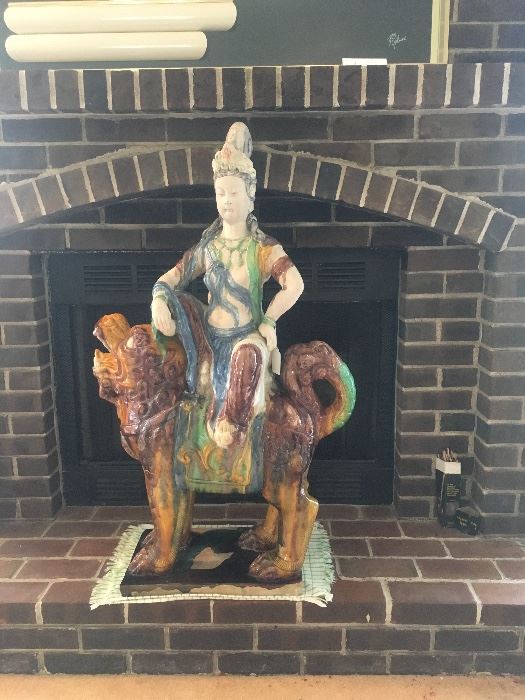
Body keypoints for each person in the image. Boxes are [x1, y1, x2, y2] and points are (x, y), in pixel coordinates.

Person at [151, 122, 304, 449]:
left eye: (234, 193)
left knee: (248, 355)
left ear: (250, 196)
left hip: (246, 335)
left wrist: (269, 320)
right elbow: (171, 278)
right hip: (207, 339)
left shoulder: (263, 249)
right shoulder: (208, 248)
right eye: (221, 194)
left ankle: (233, 422)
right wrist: (158, 300)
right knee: (172, 321)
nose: (226, 201)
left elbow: (294, 285)